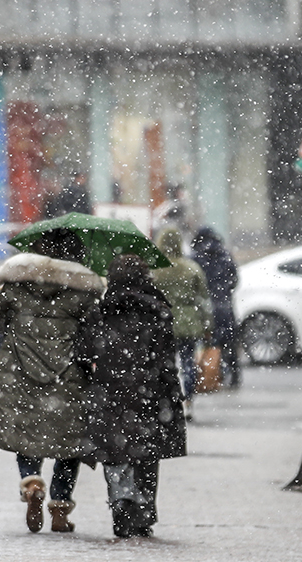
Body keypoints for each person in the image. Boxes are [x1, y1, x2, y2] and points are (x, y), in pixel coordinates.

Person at [0, 228, 104, 534]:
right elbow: (93, 331)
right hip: (69, 377)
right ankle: (60, 506)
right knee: (69, 442)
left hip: (21, 372)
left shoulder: (16, 287)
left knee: (27, 430)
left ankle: (31, 481)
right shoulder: (84, 293)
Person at [80, 254, 187, 538]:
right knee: (147, 450)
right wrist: (173, 393)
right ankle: (144, 508)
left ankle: (120, 498)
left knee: (115, 451)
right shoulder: (158, 312)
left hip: (110, 393)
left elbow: (84, 354)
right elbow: (167, 361)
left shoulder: (99, 312)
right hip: (149, 394)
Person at [151, 227, 213, 420]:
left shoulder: (155, 269)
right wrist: (207, 325)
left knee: (164, 364)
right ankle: (187, 402)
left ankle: (167, 402)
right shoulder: (191, 268)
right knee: (188, 363)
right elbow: (203, 300)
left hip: (163, 321)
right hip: (188, 320)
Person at [190, 227, 240, 388]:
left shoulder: (196, 257)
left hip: (205, 307)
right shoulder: (224, 254)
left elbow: (193, 284)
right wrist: (224, 291)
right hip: (224, 305)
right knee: (229, 343)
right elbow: (235, 279)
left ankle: (210, 376)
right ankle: (234, 376)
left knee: (208, 342)